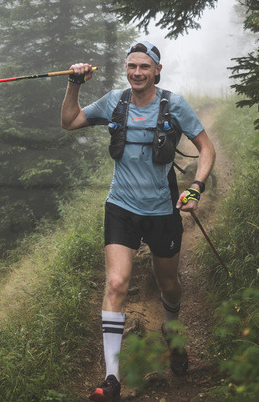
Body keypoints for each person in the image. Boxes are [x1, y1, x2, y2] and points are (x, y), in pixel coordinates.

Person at [61, 41, 215, 402]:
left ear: (157, 70)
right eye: (132, 66)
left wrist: (195, 188)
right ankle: (111, 379)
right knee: (116, 283)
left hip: (163, 211)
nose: (137, 73)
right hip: (121, 207)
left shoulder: (174, 105)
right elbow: (69, 122)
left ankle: (172, 331)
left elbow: (206, 148)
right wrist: (74, 83)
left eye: (144, 67)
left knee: (169, 286)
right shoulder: (116, 101)